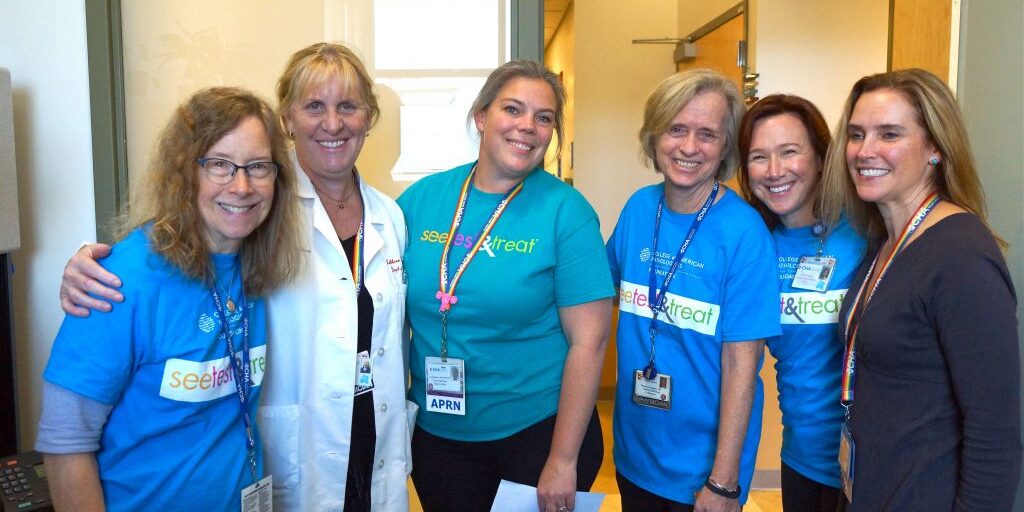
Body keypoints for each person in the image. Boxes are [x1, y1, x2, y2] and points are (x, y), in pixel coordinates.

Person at [57, 43, 414, 511]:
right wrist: (89, 260)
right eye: (314, 106)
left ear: (369, 118)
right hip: (296, 452)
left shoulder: (390, 216)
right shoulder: (258, 210)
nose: (333, 124)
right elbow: (179, 240)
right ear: (287, 118)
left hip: (375, 437)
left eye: (348, 106)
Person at [36, 87, 303, 511]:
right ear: (185, 172)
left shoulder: (260, 268)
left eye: (258, 167)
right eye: (219, 165)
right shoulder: (120, 280)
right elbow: (66, 440)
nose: (242, 186)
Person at [398, 60, 614, 512]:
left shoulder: (566, 212)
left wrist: (562, 459)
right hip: (438, 437)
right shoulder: (421, 200)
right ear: (481, 116)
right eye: (513, 109)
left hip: (536, 436)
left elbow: (589, 343)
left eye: (544, 117)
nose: (527, 128)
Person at [819, 68, 1021, 511]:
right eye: (856, 134)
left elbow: (995, 430)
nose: (864, 151)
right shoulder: (885, 239)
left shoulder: (961, 256)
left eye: (889, 134)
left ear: (935, 148)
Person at [606, 69, 780, 512]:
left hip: (702, 473)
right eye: (676, 129)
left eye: (707, 134)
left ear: (725, 148)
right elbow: (596, 296)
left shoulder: (744, 233)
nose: (688, 147)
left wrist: (722, 482)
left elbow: (744, 365)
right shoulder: (638, 208)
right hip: (634, 455)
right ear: (654, 136)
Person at [737, 94, 866, 511]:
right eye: (759, 157)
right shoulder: (755, 247)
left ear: (821, 158)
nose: (774, 171)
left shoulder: (866, 233)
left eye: (789, 152)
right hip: (801, 461)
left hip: (870, 466)